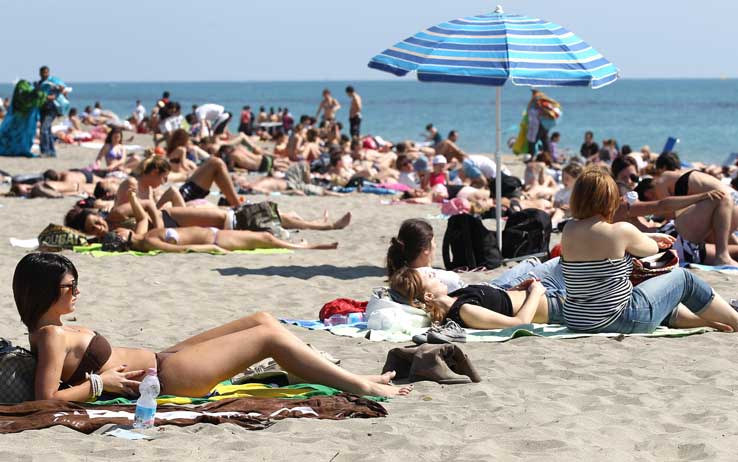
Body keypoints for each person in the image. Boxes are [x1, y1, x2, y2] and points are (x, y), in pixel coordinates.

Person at [13, 253, 411, 400]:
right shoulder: (50, 336)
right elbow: (44, 399)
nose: (77, 291)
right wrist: (102, 386)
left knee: (262, 319)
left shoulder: (55, 328)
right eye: (70, 286)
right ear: (44, 292)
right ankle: (359, 385)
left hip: (163, 356)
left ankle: (348, 373)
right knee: (268, 337)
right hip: (168, 377)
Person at [559, 166, 738, 334]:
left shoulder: (569, 230)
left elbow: (597, 242)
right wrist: (651, 239)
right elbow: (652, 249)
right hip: (619, 319)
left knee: (661, 298)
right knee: (683, 278)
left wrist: (645, 237)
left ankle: (707, 321)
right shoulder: (620, 230)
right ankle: (735, 319)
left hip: (578, 320)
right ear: (609, 199)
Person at [104, 189, 339, 253]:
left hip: (218, 234)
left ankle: (304, 245)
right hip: (216, 239)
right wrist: (212, 248)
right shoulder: (148, 243)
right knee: (266, 238)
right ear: (122, 242)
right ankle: (305, 247)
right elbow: (183, 248)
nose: (123, 231)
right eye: (120, 234)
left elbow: (144, 216)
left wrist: (134, 198)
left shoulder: (143, 235)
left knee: (266, 237)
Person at [646, 152, 738, 267]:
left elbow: (669, 213)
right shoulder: (688, 171)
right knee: (720, 242)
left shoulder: (663, 179)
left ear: (662, 168)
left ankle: (722, 256)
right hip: (734, 202)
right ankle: (723, 254)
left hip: (722, 201)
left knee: (713, 247)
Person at [0, 80, 46, 157]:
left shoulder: (20, 96)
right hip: (20, 119)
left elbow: (36, 97)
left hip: (20, 119)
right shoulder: (23, 91)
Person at [35, 66, 67, 157]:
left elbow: (62, 90)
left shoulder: (53, 82)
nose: (44, 74)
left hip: (51, 109)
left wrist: (54, 95)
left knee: (44, 129)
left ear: (48, 73)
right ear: (40, 73)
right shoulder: (39, 83)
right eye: (43, 72)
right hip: (42, 109)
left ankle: (45, 151)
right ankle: (51, 152)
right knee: (47, 130)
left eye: (46, 72)